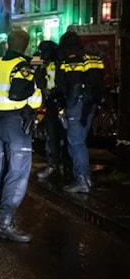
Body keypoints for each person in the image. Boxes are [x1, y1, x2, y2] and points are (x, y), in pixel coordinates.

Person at [0, 28, 42, 242]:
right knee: (17, 173)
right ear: (26, 46)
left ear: (8, 44)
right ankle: (5, 223)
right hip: (17, 125)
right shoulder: (23, 67)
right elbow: (35, 101)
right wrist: (37, 89)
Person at [54, 29, 106, 194]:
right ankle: (84, 177)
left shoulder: (67, 61)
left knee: (76, 142)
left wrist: (62, 106)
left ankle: (82, 179)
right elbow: (100, 82)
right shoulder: (95, 58)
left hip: (75, 104)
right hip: (91, 105)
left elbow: (62, 87)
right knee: (80, 141)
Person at [33, 40, 65, 180]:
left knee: (62, 137)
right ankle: (53, 165)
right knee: (51, 137)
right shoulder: (45, 65)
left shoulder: (60, 64)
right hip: (51, 105)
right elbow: (40, 81)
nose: (42, 56)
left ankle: (64, 167)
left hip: (61, 104)